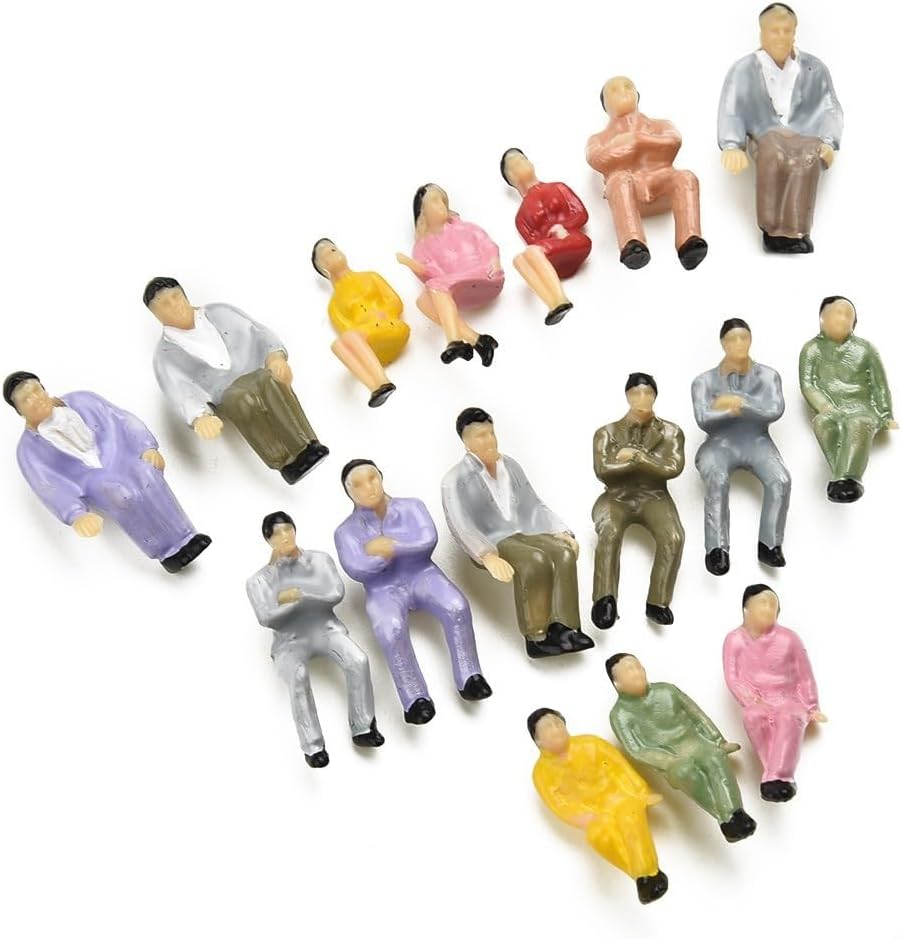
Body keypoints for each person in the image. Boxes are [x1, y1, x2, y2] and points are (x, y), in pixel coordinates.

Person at [334, 459, 491, 725]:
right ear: (349, 493)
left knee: (456, 606)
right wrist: (380, 559)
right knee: (389, 630)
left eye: (372, 478)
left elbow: (427, 540)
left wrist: (390, 546)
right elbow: (355, 567)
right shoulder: (345, 532)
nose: (368, 487)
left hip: (422, 574)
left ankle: (469, 676)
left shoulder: (411, 507)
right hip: (382, 588)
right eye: (358, 485)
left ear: (381, 477)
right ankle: (415, 698)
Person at [5, 371, 210, 572]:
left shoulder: (84, 400)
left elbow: (123, 419)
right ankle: (166, 553)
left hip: (119, 456)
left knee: (147, 473)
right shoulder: (29, 451)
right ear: (19, 410)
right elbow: (48, 486)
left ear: (43, 388)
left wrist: (147, 446)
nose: (35, 399)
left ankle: (187, 536)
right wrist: (76, 514)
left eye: (36, 391)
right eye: (26, 399)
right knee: (119, 494)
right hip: (90, 479)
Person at [441, 407, 594, 658]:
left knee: (564, 553)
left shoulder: (510, 465)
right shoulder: (455, 479)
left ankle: (567, 627)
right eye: (480, 436)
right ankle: (537, 635)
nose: (489, 440)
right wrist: (486, 555)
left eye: (491, 433)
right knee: (535, 561)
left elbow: (533, 503)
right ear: (466, 442)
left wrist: (561, 530)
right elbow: (461, 523)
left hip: (525, 528)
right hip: (495, 538)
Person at [145, 277, 328, 484]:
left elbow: (258, 332)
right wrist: (200, 416)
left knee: (270, 383)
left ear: (184, 295)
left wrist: (275, 356)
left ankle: (307, 444)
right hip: (224, 392)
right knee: (243, 400)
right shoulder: (165, 356)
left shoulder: (221, 312)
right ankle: (284, 462)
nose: (174, 305)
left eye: (175, 297)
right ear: (156, 315)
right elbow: (179, 390)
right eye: (164, 304)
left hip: (255, 372)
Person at [246, 511, 383, 768]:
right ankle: (313, 746)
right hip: (290, 641)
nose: (285, 537)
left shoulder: (320, 560)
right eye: (277, 534)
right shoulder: (259, 581)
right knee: (297, 676)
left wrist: (297, 596)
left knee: (357, 660)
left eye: (288, 530)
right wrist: (297, 602)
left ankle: (363, 727)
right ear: (268, 540)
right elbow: (266, 617)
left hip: (326, 629)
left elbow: (335, 593)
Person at [718, 3, 844, 253]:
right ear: (762, 32)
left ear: (794, 32)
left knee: (808, 158)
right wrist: (732, 145)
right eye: (774, 31)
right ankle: (772, 230)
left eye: (787, 31)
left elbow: (830, 107)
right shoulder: (743, 70)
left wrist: (829, 141)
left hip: (804, 133)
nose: (781, 37)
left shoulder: (814, 68)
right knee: (774, 154)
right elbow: (731, 108)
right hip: (764, 132)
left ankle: (796, 230)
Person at [606, 653, 757, 843]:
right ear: (617, 683)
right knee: (685, 772)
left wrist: (717, 740)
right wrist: (667, 761)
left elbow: (696, 714)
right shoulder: (620, 715)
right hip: (671, 758)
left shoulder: (667, 691)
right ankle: (729, 818)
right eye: (629, 671)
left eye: (638, 667)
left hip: (697, 743)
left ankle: (735, 814)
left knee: (715, 758)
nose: (636, 673)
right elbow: (637, 749)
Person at [528, 708, 669, 905]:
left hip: (620, 797)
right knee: (599, 836)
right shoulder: (541, 772)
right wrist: (580, 818)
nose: (555, 729)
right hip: (594, 814)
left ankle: (647, 875)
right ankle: (643, 876)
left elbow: (621, 768)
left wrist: (641, 791)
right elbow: (558, 803)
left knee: (630, 817)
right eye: (547, 728)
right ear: (538, 740)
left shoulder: (591, 743)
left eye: (557, 723)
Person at [691, 318, 791, 576]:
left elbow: (774, 410)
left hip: (756, 440)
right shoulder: (703, 381)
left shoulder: (768, 376)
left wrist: (740, 402)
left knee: (780, 479)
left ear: (751, 339)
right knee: (717, 479)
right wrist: (729, 412)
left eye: (743, 338)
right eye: (732, 339)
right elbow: (703, 419)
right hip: (719, 444)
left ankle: (769, 544)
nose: (739, 344)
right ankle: (717, 548)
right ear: (723, 343)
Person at [592, 373, 685, 630]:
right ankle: (604, 598)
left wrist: (637, 457)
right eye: (636, 393)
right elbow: (603, 469)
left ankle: (658, 602)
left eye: (647, 393)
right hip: (616, 496)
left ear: (655, 396)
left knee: (674, 537)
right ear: (627, 396)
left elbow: (672, 468)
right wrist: (638, 464)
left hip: (654, 495)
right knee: (609, 530)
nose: (642, 398)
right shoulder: (606, 433)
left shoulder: (672, 432)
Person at [585, 76, 707, 271]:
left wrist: (637, 139)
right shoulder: (598, 138)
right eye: (614, 91)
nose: (623, 92)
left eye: (628, 87)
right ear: (605, 105)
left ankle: (689, 241)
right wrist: (633, 146)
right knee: (619, 180)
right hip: (627, 186)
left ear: (637, 95)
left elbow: (673, 141)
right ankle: (632, 244)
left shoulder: (661, 125)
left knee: (685, 177)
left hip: (661, 177)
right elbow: (597, 158)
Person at [723, 584, 826, 802]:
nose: (768, 608)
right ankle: (774, 775)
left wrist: (812, 705)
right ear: (746, 609)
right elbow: (733, 677)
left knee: (789, 716)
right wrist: (751, 699)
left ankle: (779, 777)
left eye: (773, 605)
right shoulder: (734, 640)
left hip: (789, 699)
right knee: (753, 716)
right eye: (763, 603)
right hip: (758, 700)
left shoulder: (789, 638)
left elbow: (805, 675)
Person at [799, 296, 896, 502]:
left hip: (863, 408)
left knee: (857, 423)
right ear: (822, 318)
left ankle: (847, 479)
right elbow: (808, 384)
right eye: (837, 314)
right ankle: (843, 478)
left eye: (847, 316)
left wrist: (887, 414)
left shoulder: (866, 349)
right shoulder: (811, 349)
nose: (842, 319)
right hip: (831, 408)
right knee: (823, 423)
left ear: (854, 323)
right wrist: (824, 406)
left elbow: (879, 385)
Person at [396, 184, 502, 366]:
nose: (442, 205)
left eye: (443, 201)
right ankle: (478, 341)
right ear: (422, 212)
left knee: (434, 287)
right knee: (423, 302)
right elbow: (434, 276)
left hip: (485, 275)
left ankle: (454, 340)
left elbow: (487, 244)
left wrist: (495, 260)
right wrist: (411, 264)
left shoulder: (465, 228)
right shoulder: (421, 247)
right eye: (435, 201)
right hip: (461, 290)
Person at [311, 238, 409, 408]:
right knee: (338, 345)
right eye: (325, 256)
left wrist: (386, 311)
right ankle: (376, 387)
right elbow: (347, 331)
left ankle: (381, 381)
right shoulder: (334, 305)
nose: (331, 255)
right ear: (324, 269)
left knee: (346, 340)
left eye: (333, 250)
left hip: (391, 326)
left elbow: (395, 301)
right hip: (372, 344)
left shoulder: (370, 276)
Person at [500, 148, 591, 324]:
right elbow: (533, 243)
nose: (519, 166)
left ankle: (560, 299)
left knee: (531, 253)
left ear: (531, 164)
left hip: (574, 240)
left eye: (521, 160)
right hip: (553, 260)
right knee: (518, 260)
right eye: (513, 167)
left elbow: (581, 214)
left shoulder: (558, 187)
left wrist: (563, 227)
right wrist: (549, 236)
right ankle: (554, 304)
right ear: (511, 178)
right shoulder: (521, 217)